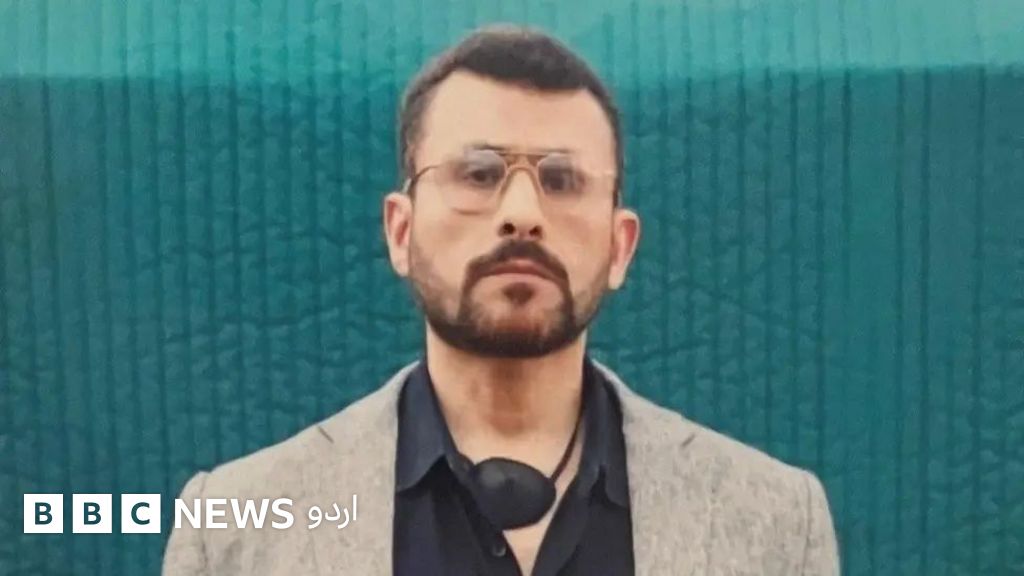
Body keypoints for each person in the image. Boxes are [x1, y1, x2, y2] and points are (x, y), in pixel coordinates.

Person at [163, 24, 839, 576]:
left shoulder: (779, 526)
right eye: (479, 173)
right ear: (400, 232)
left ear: (620, 246)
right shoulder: (232, 530)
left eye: (563, 180)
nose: (522, 214)